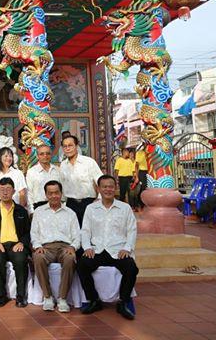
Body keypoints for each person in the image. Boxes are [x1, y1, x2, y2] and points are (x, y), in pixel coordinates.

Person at [78, 175, 139, 320]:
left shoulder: (125, 208)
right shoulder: (91, 208)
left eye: (111, 186)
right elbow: (85, 231)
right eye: (104, 187)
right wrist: (87, 247)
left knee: (131, 268)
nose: (108, 189)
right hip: (97, 249)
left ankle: (123, 302)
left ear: (115, 188)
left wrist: (127, 248)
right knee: (82, 265)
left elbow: (132, 230)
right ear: (98, 189)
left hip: (118, 250)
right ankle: (94, 300)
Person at [31, 180, 80, 313]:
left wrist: (73, 247)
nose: (54, 196)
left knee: (70, 258)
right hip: (46, 247)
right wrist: (37, 246)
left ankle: (62, 298)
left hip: (65, 247)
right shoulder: (39, 212)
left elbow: (77, 235)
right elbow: (34, 233)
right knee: (38, 257)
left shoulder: (70, 213)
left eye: (56, 192)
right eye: (50, 193)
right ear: (46, 195)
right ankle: (48, 297)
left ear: (61, 193)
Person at [0, 177, 30, 308]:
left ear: (14, 191)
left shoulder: (21, 210)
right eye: (2, 189)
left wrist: (22, 243)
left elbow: (27, 232)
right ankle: (1, 296)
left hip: (16, 245)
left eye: (8, 189)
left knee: (21, 260)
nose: (5, 192)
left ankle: (21, 297)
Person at [60, 135, 103, 224]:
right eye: (65, 146)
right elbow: (62, 185)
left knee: (90, 230)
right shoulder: (63, 165)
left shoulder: (88, 162)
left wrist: (99, 200)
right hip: (70, 204)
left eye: (70, 145)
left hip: (88, 203)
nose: (67, 148)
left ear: (76, 146)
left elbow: (101, 181)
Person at [26, 145, 62, 211]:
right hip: (38, 206)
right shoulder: (31, 172)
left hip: (56, 206)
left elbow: (62, 190)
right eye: (42, 154)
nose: (45, 156)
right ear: (37, 156)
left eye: (47, 153)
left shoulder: (57, 170)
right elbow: (29, 193)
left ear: (51, 155)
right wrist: (31, 211)